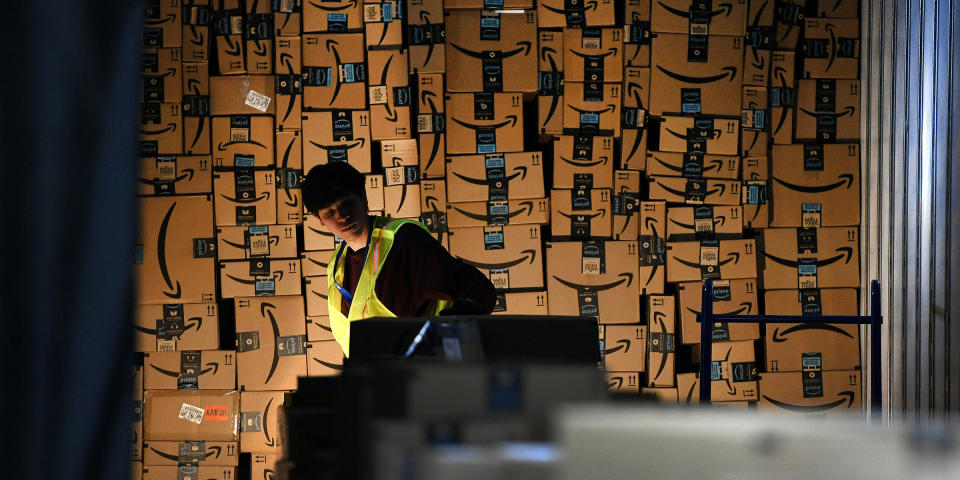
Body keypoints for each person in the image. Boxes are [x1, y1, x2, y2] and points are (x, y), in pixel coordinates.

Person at [301, 162, 498, 357]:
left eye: (347, 203)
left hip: (424, 377)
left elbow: (477, 288)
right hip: (378, 382)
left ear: (363, 198)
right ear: (319, 219)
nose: (342, 216)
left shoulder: (403, 240)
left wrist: (452, 329)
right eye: (330, 213)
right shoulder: (336, 265)